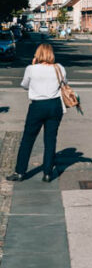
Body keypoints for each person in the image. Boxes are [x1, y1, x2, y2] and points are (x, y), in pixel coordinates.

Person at [9, 43, 66, 183]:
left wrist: (33, 66)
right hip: (55, 105)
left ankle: (20, 172)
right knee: (50, 140)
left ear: (38, 54)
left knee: (28, 139)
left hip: (37, 106)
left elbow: (24, 85)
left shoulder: (31, 69)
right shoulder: (59, 68)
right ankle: (47, 173)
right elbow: (64, 83)